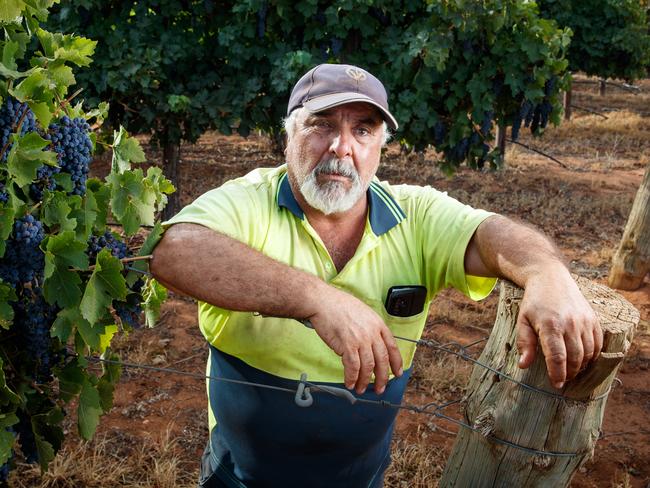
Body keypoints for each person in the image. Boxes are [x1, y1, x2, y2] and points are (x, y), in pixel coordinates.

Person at [150, 63, 602, 488]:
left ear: (380, 147)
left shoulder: (416, 214)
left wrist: (547, 272)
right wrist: (317, 298)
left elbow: (491, 233)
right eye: (322, 124)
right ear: (288, 135)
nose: (341, 147)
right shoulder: (249, 203)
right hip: (238, 479)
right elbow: (173, 251)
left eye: (362, 130)